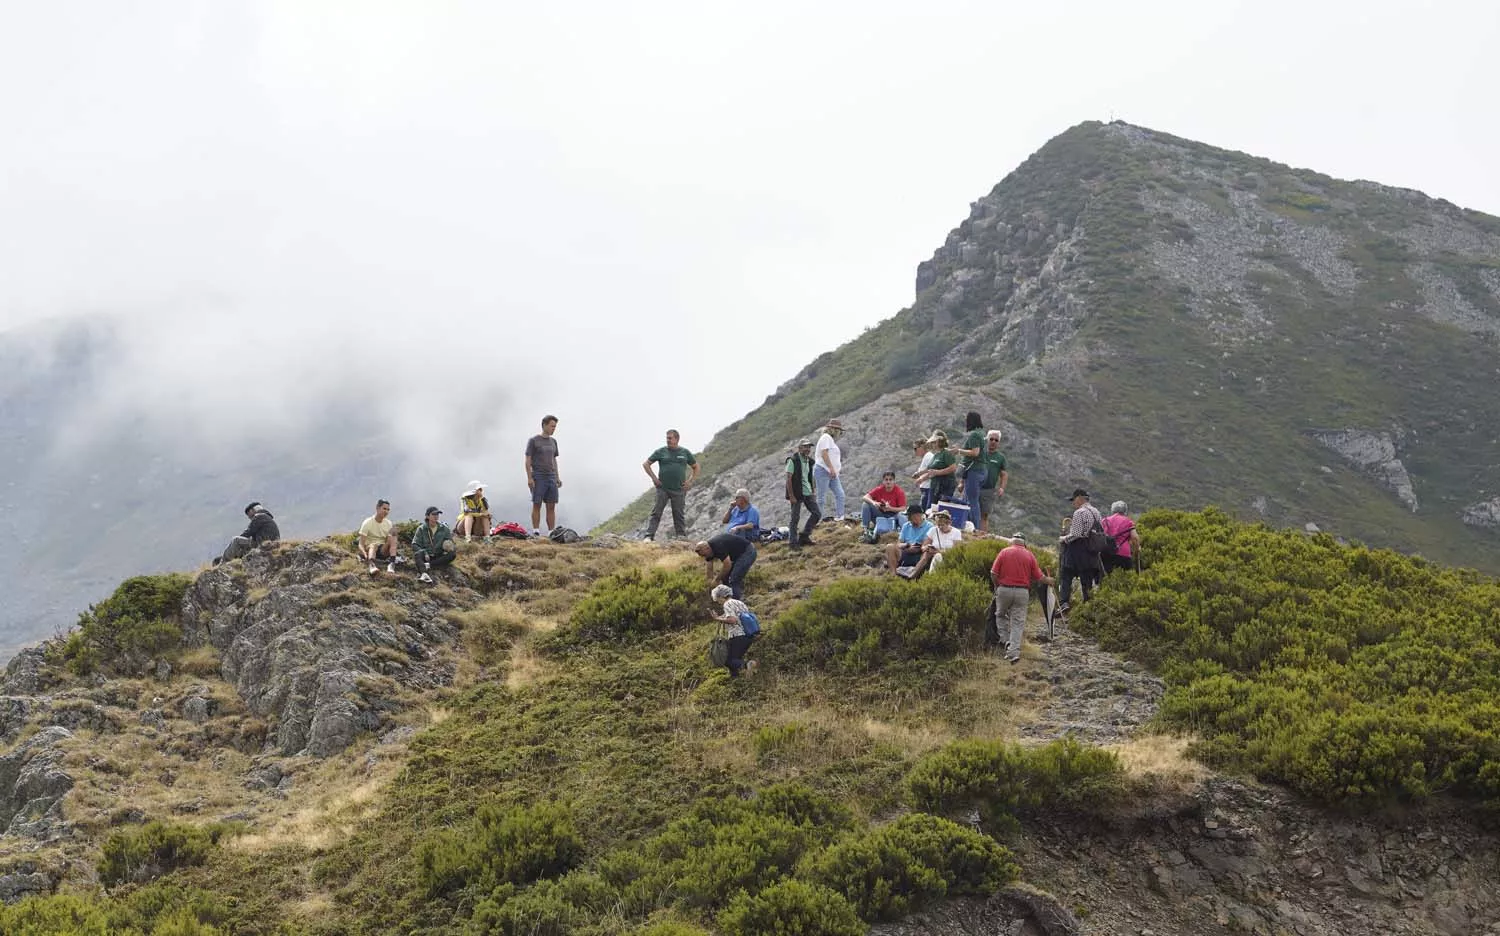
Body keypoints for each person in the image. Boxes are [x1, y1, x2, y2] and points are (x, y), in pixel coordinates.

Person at [990, 534, 1054, 664]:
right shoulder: (1029, 555)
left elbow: (993, 573)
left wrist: (997, 586)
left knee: (1000, 615)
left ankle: (1006, 640)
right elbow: (1039, 577)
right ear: (1024, 544)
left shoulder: (1004, 552)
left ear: (1012, 542)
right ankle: (1013, 653)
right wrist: (1049, 580)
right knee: (1017, 622)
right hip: (1022, 592)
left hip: (1004, 589)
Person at [643, 430, 699, 540]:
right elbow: (646, 464)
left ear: (677, 439)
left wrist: (690, 481)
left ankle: (681, 536)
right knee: (657, 512)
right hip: (663, 488)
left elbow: (696, 467)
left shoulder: (685, 452)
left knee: (678, 514)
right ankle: (649, 536)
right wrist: (654, 478)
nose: (667, 440)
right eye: (667, 438)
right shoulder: (661, 451)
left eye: (670, 438)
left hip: (679, 489)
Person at [1059, 488, 1105, 612]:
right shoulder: (1096, 512)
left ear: (1079, 498)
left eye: (1073, 500)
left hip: (1078, 550)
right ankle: (1088, 606)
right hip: (1092, 550)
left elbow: (1076, 534)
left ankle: (1064, 603)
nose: (1073, 503)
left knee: (1066, 574)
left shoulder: (1080, 512)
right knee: (1087, 578)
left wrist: (1063, 539)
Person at [525, 415, 562, 538]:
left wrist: (557, 477)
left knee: (551, 504)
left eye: (555, 427)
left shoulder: (553, 442)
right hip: (538, 475)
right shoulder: (534, 440)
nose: (553, 429)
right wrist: (529, 478)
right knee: (537, 503)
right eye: (552, 426)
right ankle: (536, 530)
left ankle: (551, 531)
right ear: (544, 425)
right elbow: (528, 460)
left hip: (551, 475)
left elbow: (554, 460)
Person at [711, 584, 759, 678]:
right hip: (748, 635)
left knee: (729, 661)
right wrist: (719, 617)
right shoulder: (739, 602)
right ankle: (738, 679)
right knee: (735, 659)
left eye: (718, 599)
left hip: (737, 635)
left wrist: (718, 619)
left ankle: (748, 665)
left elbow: (733, 620)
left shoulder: (727, 604)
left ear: (721, 596)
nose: (718, 602)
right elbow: (738, 616)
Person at [215, 502, 280, 565]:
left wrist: (237, 542)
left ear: (253, 510)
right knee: (243, 548)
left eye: (248, 514)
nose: (249, 517)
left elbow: (248, 532)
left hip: (262, 544)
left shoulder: (259, 516)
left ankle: (223, 563)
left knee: (236, 540)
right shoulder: (267, 518)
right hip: (270, 544)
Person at [695, 532, 756, 600]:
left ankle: (737, 602)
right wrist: (710, 583)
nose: (704, 557)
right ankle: (729, 598)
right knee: (725, 578)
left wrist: (717, 580)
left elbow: (727, 565)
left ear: (707, 548)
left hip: (748, 551)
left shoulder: (717, 545)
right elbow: (709, 568)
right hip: (737, 556)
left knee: (733, 579)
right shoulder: (708, 550)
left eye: (704, 555)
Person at [953, 412, 987, 529]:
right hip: (981, 470)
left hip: (974, 471)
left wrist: (959, 451)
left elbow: (975, 452)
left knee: (972, 501)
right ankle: (968, 525)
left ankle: (975, 528)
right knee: (970, 499)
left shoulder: (974, 435)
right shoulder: (982, 434)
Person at [785, 438, 820, 548]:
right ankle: (793, 543)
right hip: (797, 493)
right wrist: (791, 495)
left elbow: (810, 476)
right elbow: (788, 479)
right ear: (799, 448)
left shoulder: (809, 461)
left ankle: (804, 535)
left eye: (809, 447)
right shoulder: (793, 460)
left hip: (808, 492)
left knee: (817, 513)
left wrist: (813, 489)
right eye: (805, 447)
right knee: (795, 518)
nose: (807, 449)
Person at [411, 506, 456, 584]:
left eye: (437, 514)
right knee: (417, 554)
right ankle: (424, 574)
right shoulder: (421, 529)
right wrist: (424, 552)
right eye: (434, 514)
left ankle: (428, 565)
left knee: (452, 554)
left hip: (438, 554)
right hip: (426, 555)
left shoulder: (444, 529)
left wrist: (449, 546)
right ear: (427, 516)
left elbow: (451, 543)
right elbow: (414, 544)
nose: (436, 516)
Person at [886, 505, 934, 578]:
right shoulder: (906, 525)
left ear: (918, 515)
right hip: (906, 551)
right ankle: (893, 574)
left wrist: (918, 547)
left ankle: (913, 575)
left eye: (909, 516)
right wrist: (906, 545)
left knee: (926, 552)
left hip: (919, 553)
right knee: (890, 547)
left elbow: (926, 545)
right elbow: (899, 543)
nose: (908, 518)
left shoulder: (929, 526)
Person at [813, 418, 846, 522]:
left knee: (840, 494)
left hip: (831, 473)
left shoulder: (830, 440)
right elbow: (824, 453)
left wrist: (834, 470)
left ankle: (840, 516)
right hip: (823, 470)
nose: (840, 433)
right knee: (821, 496)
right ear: (834, 429)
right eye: (839, 430)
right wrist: (831, 468)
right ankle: (817, 519)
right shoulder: (826, 437)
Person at [978, 431, 1009, 533]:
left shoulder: (1000, 458)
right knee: (970, 511)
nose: (993, 442)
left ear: (999, 442)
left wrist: (1002, 488)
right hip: (974, 487)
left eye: (996, 440)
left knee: (984, 515)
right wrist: (962, 483)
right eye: (991, 439)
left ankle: (981, 537)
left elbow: (1004, 474)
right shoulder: (979, 453)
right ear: (987, 439)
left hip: (989, 490)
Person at [358, 499, 401, 575]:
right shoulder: (368, 522)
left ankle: (391, 564)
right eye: (384, 509)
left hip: (382, 550)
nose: (386, 512)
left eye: (388, 510)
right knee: (373, 545)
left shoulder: (388, 523)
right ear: (377, 508)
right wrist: (364, 553)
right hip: (371, 549)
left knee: (393, 534)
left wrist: (393, 535)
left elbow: (389, 541)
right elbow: (361, 543)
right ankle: (372, 565)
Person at [914, 433, 958, 506]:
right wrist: (921, 478)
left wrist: (938, 472)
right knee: (930, 509)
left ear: (938, 442)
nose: (932, 444)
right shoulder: (936, 455)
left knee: (939, 508)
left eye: (933, 442)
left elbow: (953, 468)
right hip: (935, 487)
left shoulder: (946, 453)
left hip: (944, 486)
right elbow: (930, 471)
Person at [860, 471, 907, 537]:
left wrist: (890, 508)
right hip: (880, 515)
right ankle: (865, 529)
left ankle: (904, 533)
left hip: (893, 517)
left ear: (894, 481)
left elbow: (903, 508)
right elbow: (865, 497)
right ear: (883, 481)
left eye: (890, 480)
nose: (888, 482)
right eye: (886, 480)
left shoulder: (899, 492)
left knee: (901, 515)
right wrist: (874, 502)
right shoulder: (879, 489)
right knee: (865, 504)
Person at [1100, 500, 1141, 574]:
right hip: (1123, 554)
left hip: (1106, 553)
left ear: (1113, 510)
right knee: (1124, 578)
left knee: (1106, 578)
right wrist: (1137, 549)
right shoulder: (1128, 521)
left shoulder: (1104, 521)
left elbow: (1099, 536)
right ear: (1125, 510)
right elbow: (1135, 538)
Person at [912, 438, 936, 510]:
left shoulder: (928, 457)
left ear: (921, 447)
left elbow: (932, 471)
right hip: (925, 488)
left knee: (924, 510)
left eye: (915, 448)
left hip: (928, 488)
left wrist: (921, 479)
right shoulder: (927, 457)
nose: (915, 451)